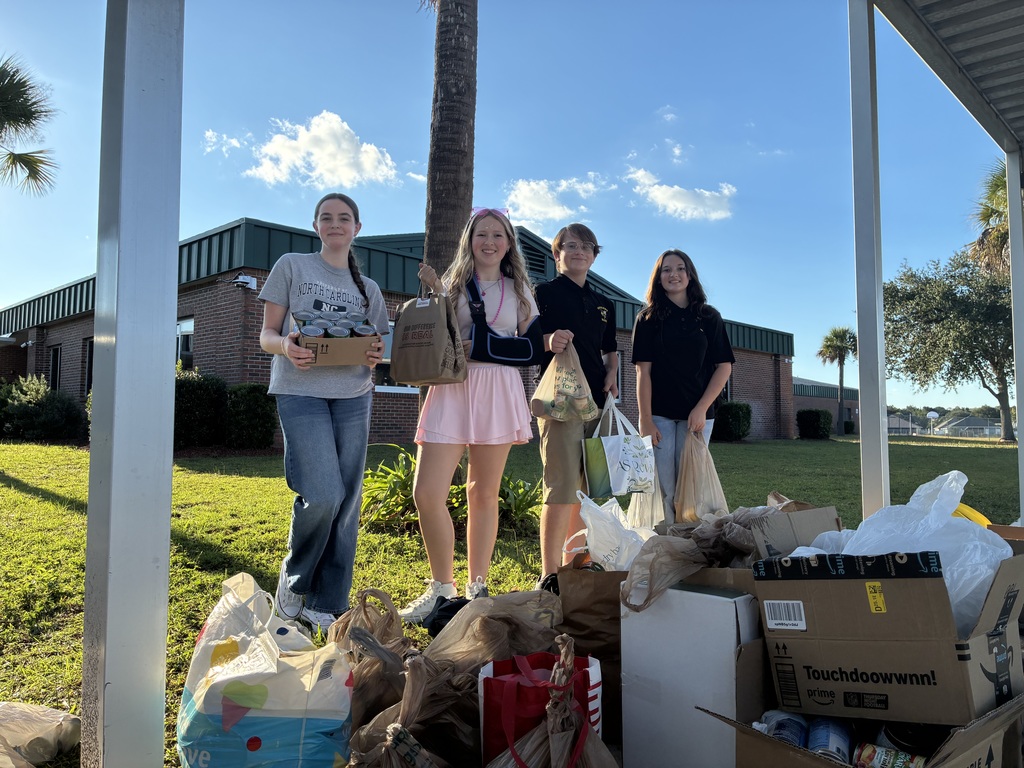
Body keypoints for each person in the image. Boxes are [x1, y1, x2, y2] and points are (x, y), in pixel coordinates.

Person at [398, 207, 539, 623]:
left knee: (482, 493)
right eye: (482, 234)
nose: (490, 242)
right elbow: (437, 336)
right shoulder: (453, 285)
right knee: (427, 493)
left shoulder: (523, 292)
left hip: (498, 390)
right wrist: (434, 293)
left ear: (509, 243)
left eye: (498, 235)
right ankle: (442, 589)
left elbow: (533, 344)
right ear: (469, 240)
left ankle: (477, 587)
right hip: (453, 388)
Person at [258, 192, 387, 633]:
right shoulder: (292, 266)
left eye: (344, 218)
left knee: (347, 501)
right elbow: (267, 335)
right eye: (327, 218)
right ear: (316, 226)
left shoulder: (368, 289)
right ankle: (295, 580)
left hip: (353, 395)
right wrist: (286, 347)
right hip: (301, 391)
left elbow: (377, 347)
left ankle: (327, 602)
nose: (336, 224)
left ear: (357, 228)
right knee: (324, 494)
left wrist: (374, 355)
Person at [535, 223, 619, 584]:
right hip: (561, 403)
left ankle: (577, 566)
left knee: (587, 490)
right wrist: (548, 339)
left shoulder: (604, 303)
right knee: (561, 486)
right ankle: (550, 573)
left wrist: (613, 372)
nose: (579, 252)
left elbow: (611, 348)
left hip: (596, 405)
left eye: (586, 247)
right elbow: (526, 340)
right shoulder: (545, 293)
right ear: (557, 255)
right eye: (571, 246)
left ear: (594, 255)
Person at [632, 249, 734, 525]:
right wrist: (645, 419)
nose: (673, 274)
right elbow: (644, 372)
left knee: (692, 489)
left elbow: (724, 366)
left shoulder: (708, 317)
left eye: (680, 268)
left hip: (697, 417)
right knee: (666, 488)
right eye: (666, 269)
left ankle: (691, 544)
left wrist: (702, 408)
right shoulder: (647, 319)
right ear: (658, 277)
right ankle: (667, 544)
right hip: (660, 417)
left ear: (690, 275)